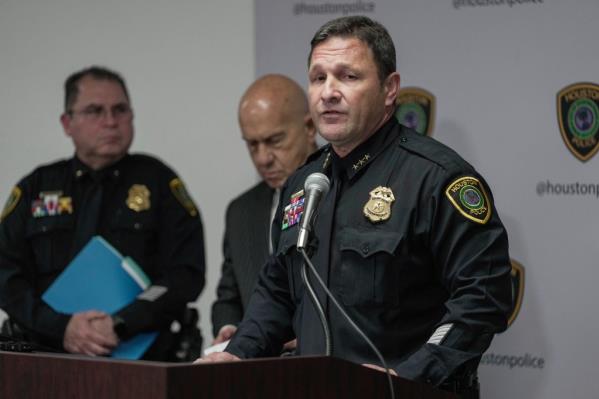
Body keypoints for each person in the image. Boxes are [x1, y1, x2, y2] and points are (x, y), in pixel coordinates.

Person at [198, 15, 512, 396]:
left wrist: (408, 376)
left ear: (389, 88)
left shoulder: (436, 178)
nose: (328, 92)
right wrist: (238, 354)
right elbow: (278, 290)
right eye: (318, 78)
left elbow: (483, 298)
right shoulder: (304, 183)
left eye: (348, 77)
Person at [0, 66, 206, 361]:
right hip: (44, 357)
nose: (110, 121)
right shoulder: (36, 187)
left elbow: (185, 274)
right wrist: (62, 327)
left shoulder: (159, 182)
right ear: (67, 123)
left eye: (120, 110)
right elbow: (6, 276)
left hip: (140, 357)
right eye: (95, 111)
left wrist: (121, 324)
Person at [211, 74, 317, 346]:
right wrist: (229, 327)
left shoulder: (346, 192)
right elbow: (229, 297)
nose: (263, 159)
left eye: (275, 141)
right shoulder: (241, 211)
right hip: (258, 368)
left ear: (309, 127)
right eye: (252, 144)